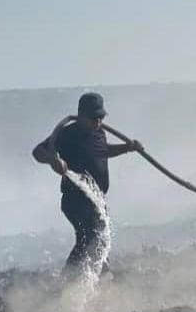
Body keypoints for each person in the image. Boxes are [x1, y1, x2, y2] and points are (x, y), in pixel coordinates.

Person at [32, 93, 141, 272]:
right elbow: (37, 152)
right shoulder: (67, 133)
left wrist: (128, 148)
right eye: (93, 118)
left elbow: (103, 151)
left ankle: (100, 276)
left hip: (97, 200)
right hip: (75, 200)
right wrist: (53, 160)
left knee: (101, 238)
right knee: (89, 237)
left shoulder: (100, 133)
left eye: (101, 117)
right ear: (81, 115)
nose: (97, 122)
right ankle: (67, 281)